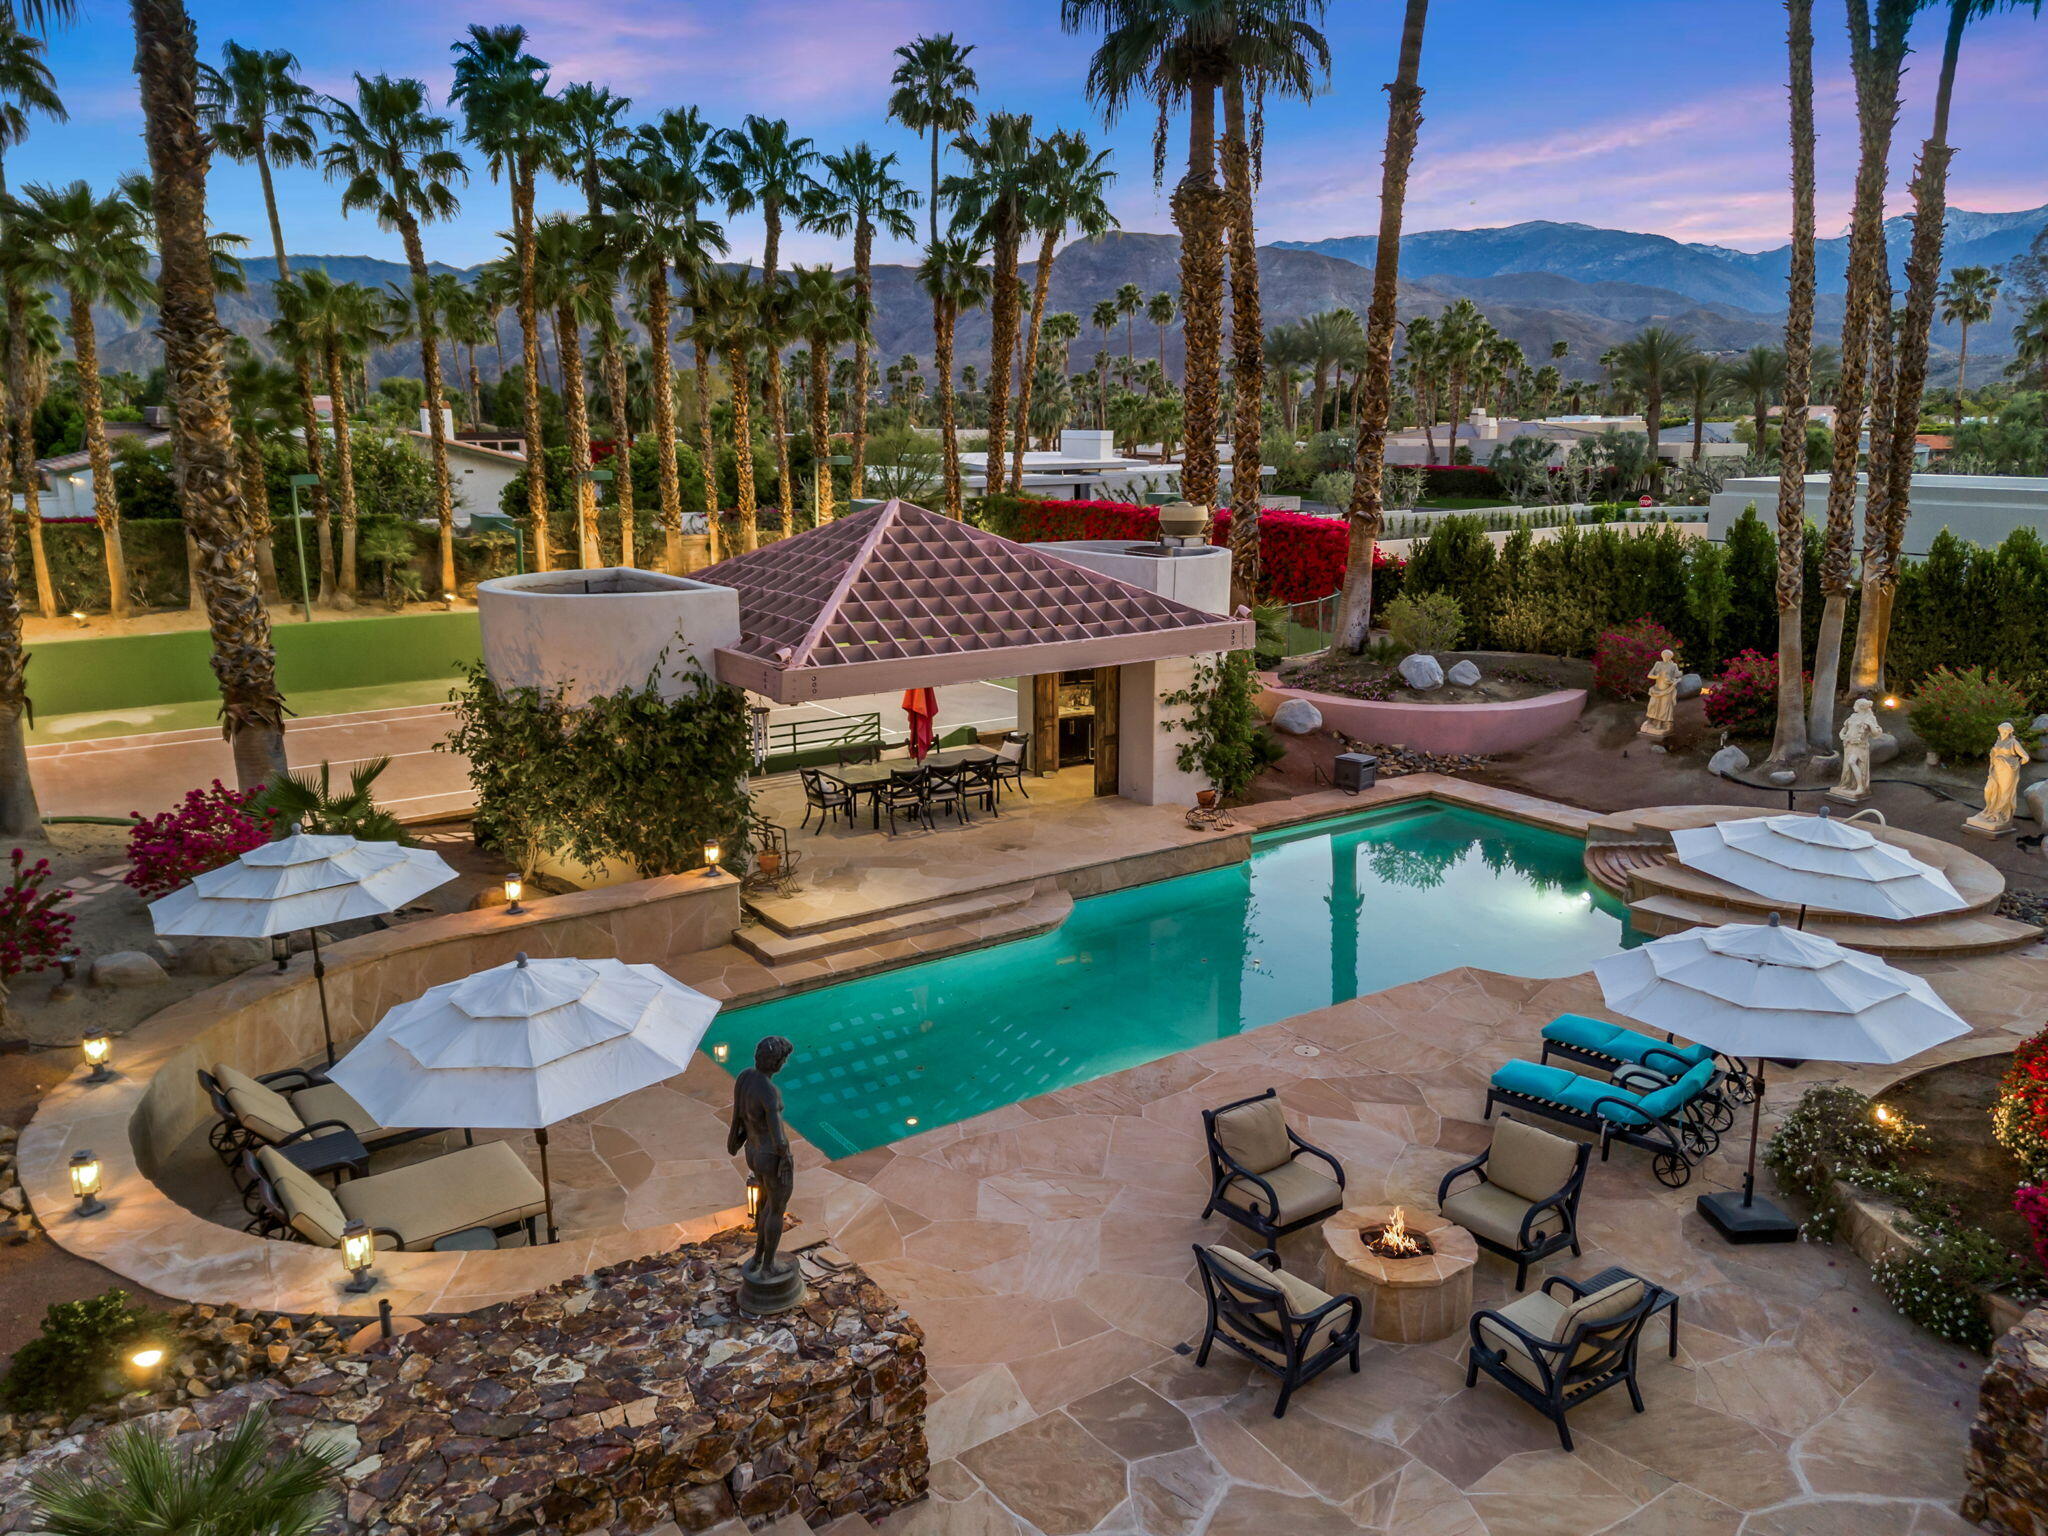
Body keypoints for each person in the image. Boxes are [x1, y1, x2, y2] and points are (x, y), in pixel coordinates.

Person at [727, 1035, 797, 1289]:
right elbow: (779, 1139)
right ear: (776, 1061)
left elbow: (739, 1116)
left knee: (767, 1205)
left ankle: (758, 1258)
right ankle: (769, 1266)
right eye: (783, 1059)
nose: (784, 1063)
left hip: (752, 1151)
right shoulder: (769, 1091)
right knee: (776, 1209)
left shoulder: (745, 1077)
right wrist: (786, 1160)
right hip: (770, 1155)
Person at [1965, 722, 2031, 836]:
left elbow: (2025, 757)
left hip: (2007, 771)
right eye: (2000, 731)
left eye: (2004, 731)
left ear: (2009, 731)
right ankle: (1989, 811)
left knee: (2004, 793)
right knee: (1988, 789)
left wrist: (2014, 764)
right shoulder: (1999, 741)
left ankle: (1997, 814)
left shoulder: (2013, 742)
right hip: (1996, 770)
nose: (2002, 733)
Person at [1831, 697, 1882, 801]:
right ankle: (1847, 784)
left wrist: (1870, 724)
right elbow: (1844, 729)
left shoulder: (1870, 718)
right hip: (1849, 745)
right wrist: (1842, 735)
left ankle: (1860, 787)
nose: (1854, 706)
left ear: (1861, 707)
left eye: (1855, 705)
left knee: (1852, 762)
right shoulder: (1853, 716)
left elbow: (1876, 734)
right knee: (1847, 767)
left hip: (1860, 746)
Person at [1640, 649, 1682, 737]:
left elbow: (1678, 676)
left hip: (1667, 690)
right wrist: (1657, 676)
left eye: (1667, 656)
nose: (1665, 657)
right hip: (1657, 689)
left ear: (1670, 657)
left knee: (1664, 707)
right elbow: (1649, 675)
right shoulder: (1658, 664)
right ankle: (1650, 721)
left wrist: (1674, 681)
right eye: (1664, 656)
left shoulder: (1673, 665)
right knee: (1652, 705)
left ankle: (1660, 723)